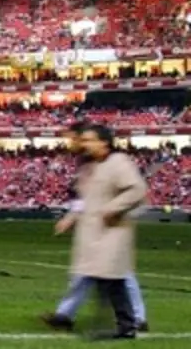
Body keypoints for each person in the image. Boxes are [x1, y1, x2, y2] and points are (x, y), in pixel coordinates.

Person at [43, 122, 148, 333]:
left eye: (78, 139)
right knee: (94, 274)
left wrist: (112, 209)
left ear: (103, 142)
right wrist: (72, 217)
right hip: (95, 230)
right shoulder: (89, 163)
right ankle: (70, 315)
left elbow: (136, 190)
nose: (74, 143)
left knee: (117, 276)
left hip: (111, 229)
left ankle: (133, 320)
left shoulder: (116, 162)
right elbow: (85, 198)